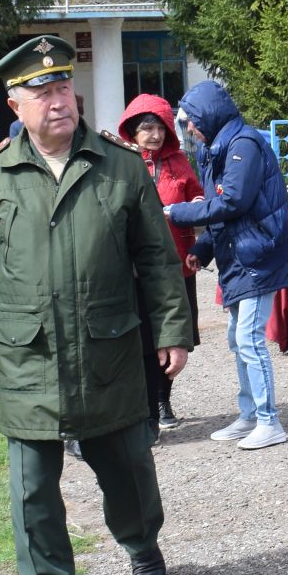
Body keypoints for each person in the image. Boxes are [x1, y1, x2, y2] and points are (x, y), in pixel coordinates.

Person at [0, 37, 190, 575]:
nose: (57, 101)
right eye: (42, 92)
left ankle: (142, 546)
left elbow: (157, 258)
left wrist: (172, 331)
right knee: (33, 487)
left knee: (128, 469)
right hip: (28, 355)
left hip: (107, 347)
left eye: (63, 87)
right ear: (15, 104)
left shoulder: (121, 165)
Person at [167, 81, 288, 450]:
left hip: (258, 254)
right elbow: (221, 207)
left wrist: (177, 213)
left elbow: (234, 202)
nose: (190, 129)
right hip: (239, 254)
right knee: (235, 338)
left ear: (207, 114)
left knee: (249, 338)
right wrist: (205, 247)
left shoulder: (243, 144)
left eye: (191, 120)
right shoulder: (218, 146)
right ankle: (250, 416)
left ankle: (269, 421)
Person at [120, 93, 206, 432]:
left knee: (174, 337)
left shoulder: (180, 162)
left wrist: (196, 206)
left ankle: (163, 400)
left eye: (158, 128)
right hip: (137, 269)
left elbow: (196, 195)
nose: (153, 135)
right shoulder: (124, 162)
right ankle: (143, 406)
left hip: (178, 264)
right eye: (146, 128)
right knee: (143, 338)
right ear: (133, 131)